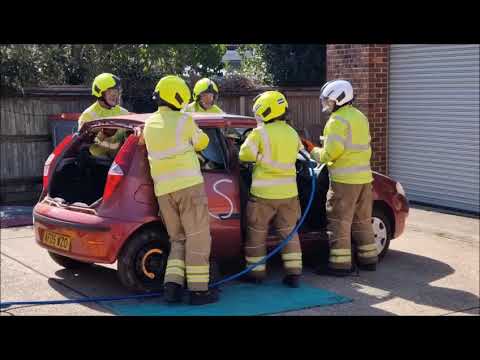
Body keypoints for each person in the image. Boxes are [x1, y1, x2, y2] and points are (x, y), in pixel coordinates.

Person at [142, 75, 218, 305]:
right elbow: (203, 142)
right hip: (188, 188)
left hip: (164, 192)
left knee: (178, 239)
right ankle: (199, 292)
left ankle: (172, 286)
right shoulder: (184, 120)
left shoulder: (149, 123)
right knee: (198, 239)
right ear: (177, 95)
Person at [302, 79, 378, 276]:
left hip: (344, 182)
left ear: (339, 99)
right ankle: (368, 259)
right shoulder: (360, 116)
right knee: (362, 220)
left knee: (339, 222)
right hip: (364, 179)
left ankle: (339, 265)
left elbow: (330, 154)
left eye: (328, 100)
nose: (326, 104)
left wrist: (312, 151)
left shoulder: (336, 121)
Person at [239, 90, 304, 288]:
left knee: (257, 233)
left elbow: (244, 155)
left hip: (263, 196)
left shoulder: (259, 133)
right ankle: (294, 274)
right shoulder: (292, 133)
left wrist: (258, 158)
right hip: (289, 195)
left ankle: (256, 274)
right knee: (289, 234)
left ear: (266, 112)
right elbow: (300, 154)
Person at [78, 73, 129, 159]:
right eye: (110, 92)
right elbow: (83, 144)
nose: (115, 95)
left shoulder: (123, 112)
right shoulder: (88, 115)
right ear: (100, 93)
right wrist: (103, 134)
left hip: (119, 161)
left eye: (117, 91)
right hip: (97, 163)